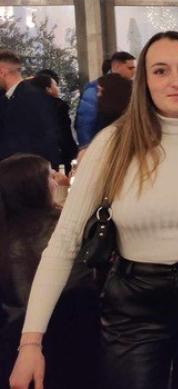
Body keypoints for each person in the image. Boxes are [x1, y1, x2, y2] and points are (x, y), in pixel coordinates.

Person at [9, 31, 178, 389]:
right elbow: (65, 242)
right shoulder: (113, 144)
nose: (176, 81)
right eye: (161, 71)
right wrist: (30, 343)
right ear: (144, 82)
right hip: (134, 308)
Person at [0, 153, 99, 389]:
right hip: (79, 342)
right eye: (50, 176)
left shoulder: (5, 239)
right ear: (34, 189)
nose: (57, 179)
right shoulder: (66, 234)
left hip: (14, 353)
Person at [0, 50, 61, 167]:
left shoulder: (32, 96)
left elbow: (46, 137)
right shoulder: (8, 98)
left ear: (2, 72)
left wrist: (49, 169)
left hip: (30, 170)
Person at [74, 51, 136, 148]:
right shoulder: (95, 88)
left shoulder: (133, 87)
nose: (133, 72)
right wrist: (87, 148)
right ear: (117, 66)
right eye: (130, 68)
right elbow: (85, 123)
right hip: (104, 144)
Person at [28, 71, 78, 170]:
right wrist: (73, 153)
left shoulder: (29, 107)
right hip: (59, 154)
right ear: (48, 89)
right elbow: (64, 135)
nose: (58, 88)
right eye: (55, 85)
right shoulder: (58, 107)